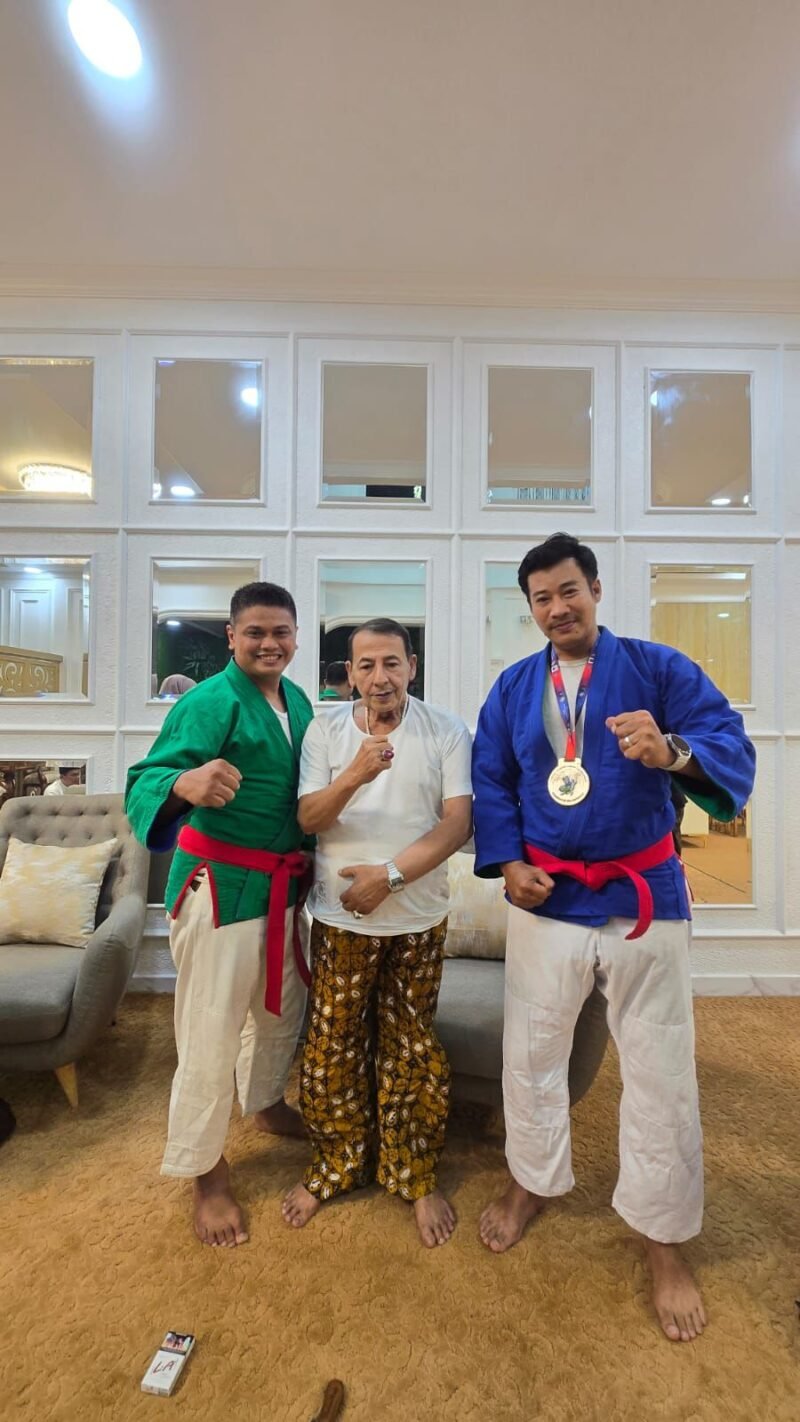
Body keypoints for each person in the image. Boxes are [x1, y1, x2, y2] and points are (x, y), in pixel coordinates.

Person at [472, 532, 755, 1343]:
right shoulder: (514, 687)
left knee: (661, 1069)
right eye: (542, 598)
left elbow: (728, 742)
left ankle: (664, 1238)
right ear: (530, 609)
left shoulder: (658, 669)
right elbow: (491, 778)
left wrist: (673, 752)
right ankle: (531, 1181)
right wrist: (508, 862)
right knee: (531, 1054)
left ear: (595, 589)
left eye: (569, 590)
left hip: (642, 892)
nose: (557, 608)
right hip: (547, 896)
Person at [125, 582, 315, 1249]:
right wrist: (184, 784)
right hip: (221, 885)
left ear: (296, 638)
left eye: (281, 632)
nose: (269, 644)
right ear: (232, 637)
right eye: (255, 632)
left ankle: (263, 1102)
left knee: (277, 1011)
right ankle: (205, 1170)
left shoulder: (298, 701)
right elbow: (143, 780)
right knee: (209, 1028)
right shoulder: (209, 701)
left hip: (282, 887)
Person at [282, 618, 473, 1247]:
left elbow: (457, 825)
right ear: (349, 673)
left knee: (411, 1044)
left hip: (416, 917)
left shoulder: (445, 729)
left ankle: (413, 1173)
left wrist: (387, 878)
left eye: (391, 662)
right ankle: (337, 1164)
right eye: (365, 665)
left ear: (412, 666)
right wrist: (354, 775)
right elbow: (308, 817)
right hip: (341, 921)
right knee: (331, 1044)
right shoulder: (325, 730)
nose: (380, 677)